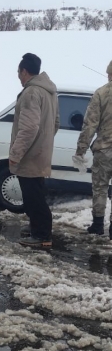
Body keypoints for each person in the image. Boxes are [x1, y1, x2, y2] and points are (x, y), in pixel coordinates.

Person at [9, 53, 59, 247]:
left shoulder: (31, 92)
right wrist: (44, 143)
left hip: (29, 155)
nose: (18, 77)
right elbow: (55, 123)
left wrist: (15, 154)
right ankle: (37, 227)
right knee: (34, 193)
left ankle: (42, 236)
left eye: (18, 72)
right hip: (40, 153)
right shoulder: (50, 91)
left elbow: (29, 128)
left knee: (33, 196)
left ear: (25, 71)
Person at [73, 60, 112, 238]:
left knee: (100, 187)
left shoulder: (101, 93)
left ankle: (97, 224)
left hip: (104, 150)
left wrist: (81, 150)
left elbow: (89, 125)